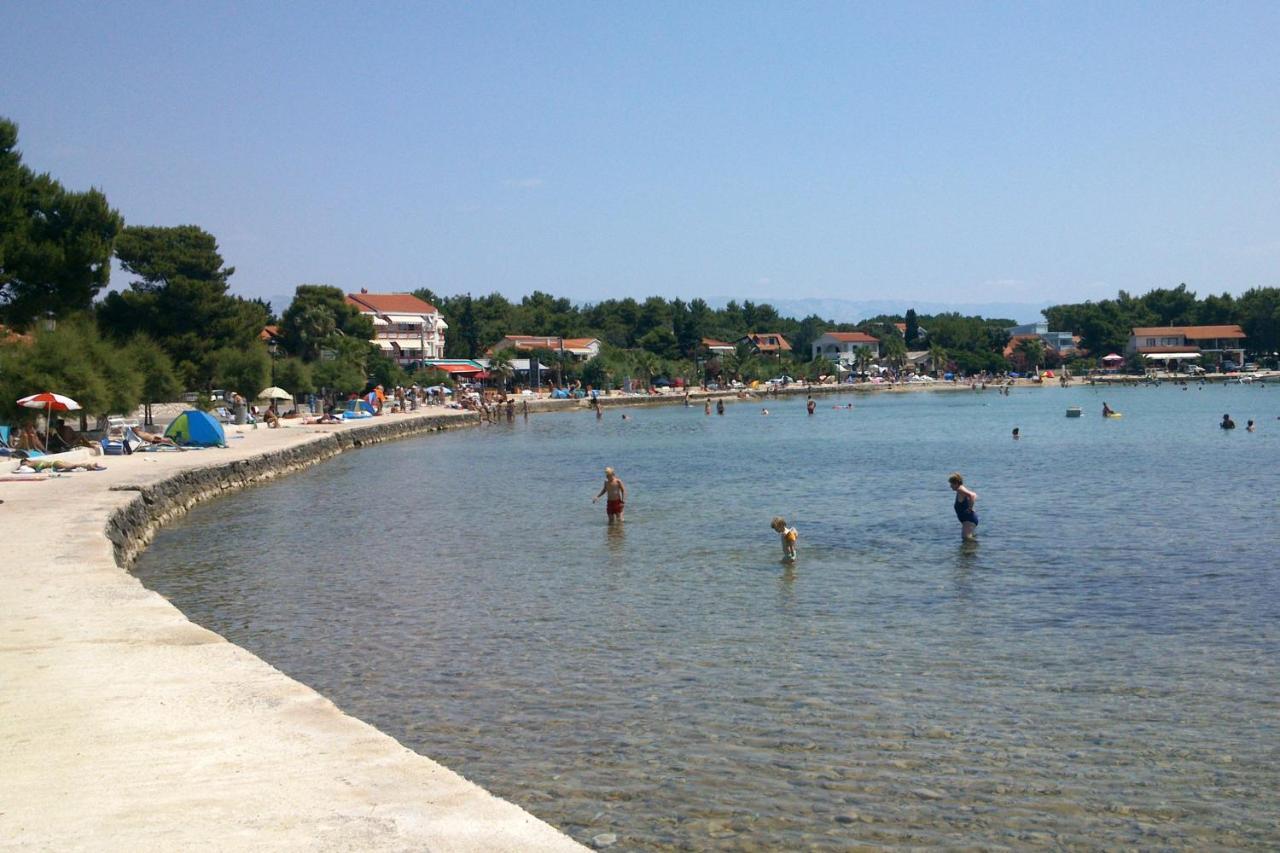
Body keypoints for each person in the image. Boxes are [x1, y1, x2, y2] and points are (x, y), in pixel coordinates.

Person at [948, 472, 979, 542]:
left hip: (968, 521)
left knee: (967, 541)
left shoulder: (960, 489)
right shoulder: (961, 489)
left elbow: (972, 496)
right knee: (969, 542)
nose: (950, 486)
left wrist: (970, 508)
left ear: (956, 483)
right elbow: (974, 494)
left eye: (951, 484)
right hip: (968, 520)